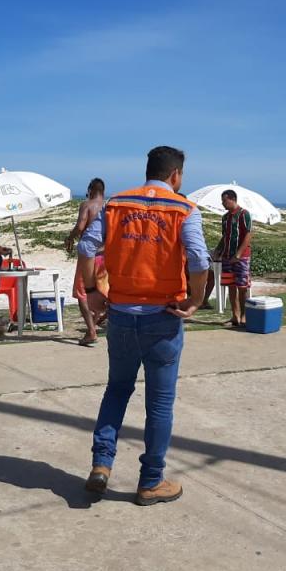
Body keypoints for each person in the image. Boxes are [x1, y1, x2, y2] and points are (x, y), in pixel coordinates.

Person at [78, 146, 209, 506]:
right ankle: (150, 481)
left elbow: (86, 247)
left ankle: (101, 464)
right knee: (160, 403)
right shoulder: (184, 209)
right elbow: (199, 259)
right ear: (176, 175)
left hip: (121, 315)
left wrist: (92, 291)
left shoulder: (117, 204)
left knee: (117, 390)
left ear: (148, 170)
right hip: (162, 318)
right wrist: (196, 299)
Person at [64, 178, 107, 346]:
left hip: (88, 255)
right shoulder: (108, 207)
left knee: (81, 293)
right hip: (104, 255)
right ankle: (93, 326)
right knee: (100, 291)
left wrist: (70, 238)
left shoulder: (87, 205)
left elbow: (81, 226)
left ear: (90, 190)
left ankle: (91, 331)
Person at [213, 189, 252, 327]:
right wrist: (218, 250)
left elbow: (248, 235)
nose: (223, 203)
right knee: (231, 286)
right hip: (227, 256)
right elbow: (225, 236)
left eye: (224, 200)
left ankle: (244, 315)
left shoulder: (244, 214)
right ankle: (235, 316)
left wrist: (238, 254)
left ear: (232, 199)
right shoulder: (225, 217)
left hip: (241, 257)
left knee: (242, 286)